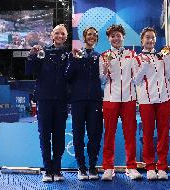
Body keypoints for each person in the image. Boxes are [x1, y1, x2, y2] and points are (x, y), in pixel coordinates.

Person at [25, 24, 69, 182]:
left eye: (62, 33)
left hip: (62, 100)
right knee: (44, 135)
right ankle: (47, 170)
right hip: (44, 99)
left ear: (66, 36)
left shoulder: (70, 55)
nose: (59, 36)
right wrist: (31, 56)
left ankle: (57, 170)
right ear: (52, 35)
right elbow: (30, 70)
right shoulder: (43, 52)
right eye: (57, 33)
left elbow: (72, 77)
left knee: (59, 136)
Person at [99, 24, 142, 181]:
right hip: (110, 99)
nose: (116, 38)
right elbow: (102, 80)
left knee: (130, 134)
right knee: (109, 134)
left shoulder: (132, 55)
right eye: (112, 36)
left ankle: (131, 167)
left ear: (123, 37)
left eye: (118, 35)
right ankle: (108, 168)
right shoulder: (103, 56)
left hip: (129, 99)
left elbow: (137, 78)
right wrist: (105, 69)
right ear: (109, 39)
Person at [134, 27, 170, 180]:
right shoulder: (137, 58)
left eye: (152, 38)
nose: (150, 40)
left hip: (164, 98)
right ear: (142, 40)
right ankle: (150, 165)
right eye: (147, 38)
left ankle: (162, 165)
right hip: (146, 100)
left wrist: (168, 60)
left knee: (164, 133)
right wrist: (143, 67)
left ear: (156, 40)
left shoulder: (162, 56)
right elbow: (135, 81)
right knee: (148, 133)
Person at [66, 27, 103, 180]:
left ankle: (93, 167)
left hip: (95, 100)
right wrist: (75, 60)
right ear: (84, 37)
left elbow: (103, 79)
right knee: (78, 134)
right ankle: (81, 167)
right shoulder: (74, 55)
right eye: (89, 34)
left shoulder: (100, 57)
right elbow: (67, 76)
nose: (92, 37)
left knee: (95, 133)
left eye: (94, 35)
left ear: (97, 38)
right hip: (77, 101)